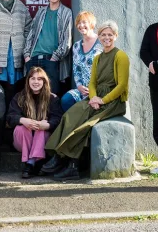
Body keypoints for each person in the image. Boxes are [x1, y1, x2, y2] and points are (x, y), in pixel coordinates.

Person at [42, 20, 129, 181]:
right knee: (71, 115)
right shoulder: (98, 58)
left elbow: (122, 85)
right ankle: (58, 156)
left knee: (84, 126)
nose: (106, 38)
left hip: (113, 102)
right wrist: (94, 97)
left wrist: (102, 101)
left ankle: (71, 165)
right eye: (103, 34)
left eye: (110, 35)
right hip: (95, 98)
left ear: (116, 36)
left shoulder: (120, 56)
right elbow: (92, 82)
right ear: (99, 36)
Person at [7, 67, 63, 179]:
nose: (36, 82)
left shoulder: (52, 98)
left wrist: (47, 125)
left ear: (44, 81)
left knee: (41, 129)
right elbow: (10, 117)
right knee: (21, 128)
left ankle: (30, 164)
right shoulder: (19, 97)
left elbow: (58, 119)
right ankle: (36, 163)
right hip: (22, 142)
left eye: (39, 79)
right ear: (28, 80)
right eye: (32, 78)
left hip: (43, 141)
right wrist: (23, 120)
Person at [24, 0, 72, 96]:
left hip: (52, 59)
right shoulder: (41, 12)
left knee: (51, 95)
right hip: (34, 58)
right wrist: (27, 55)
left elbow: (67, 39)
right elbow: (31, 33)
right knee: (31, 95)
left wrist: (55, 58)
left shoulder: (66, 12)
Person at [140, 0, 158, 175]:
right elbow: (143, 51)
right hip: (157, 83)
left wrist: (157, 65)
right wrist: (150, 63)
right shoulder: (151, 29)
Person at [60, 11, 102, 112]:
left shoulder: (101, 42)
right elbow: (76, 69)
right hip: (82, 90)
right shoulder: (76, 46)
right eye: (79, 23)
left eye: (84, 22)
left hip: (99, 89)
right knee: (66, 100)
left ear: (91, 23)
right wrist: (79, 86)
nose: (81, 25)